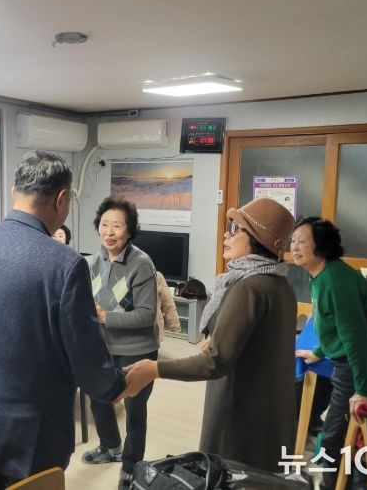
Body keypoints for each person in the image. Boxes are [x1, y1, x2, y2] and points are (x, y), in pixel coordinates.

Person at [0, 151, 125, 490]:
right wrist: (117, 385)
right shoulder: (65, 264)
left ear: (14, 190)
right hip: (31, 431)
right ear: (62, 198)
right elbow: (86, 355)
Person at [122, 197, 297, 473]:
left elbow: (216, 361)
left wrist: (154, 369)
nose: (226, 235)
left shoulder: (248, 288)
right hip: (269, 415)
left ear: (259, 240)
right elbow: (257, 343)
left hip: (239, 418)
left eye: (236, 229)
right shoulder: (280, 285)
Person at [292, 216, 367, 488]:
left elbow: (356, 338)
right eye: (293, 241)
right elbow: (335, 326)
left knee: (334, 438)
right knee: (338, 437)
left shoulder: (335, 281)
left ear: (321, 246)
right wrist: (320, 350)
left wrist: (362, 389)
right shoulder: (322, 275)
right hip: (353, 363)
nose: (294, 246)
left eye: (302, 241)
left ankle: (334, 486)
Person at [81, 197, 158, 490]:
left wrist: (106, 317)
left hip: (137, 351)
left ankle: (131, 467)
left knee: (135, 410)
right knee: (98, 398)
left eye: (117, 226)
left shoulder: (141, 263)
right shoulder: (93, 262)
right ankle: (110, 446)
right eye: (104, 225)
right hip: (102, 348)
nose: (109, 232)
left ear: (129, 230)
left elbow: (147, 315)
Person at [155, 271, 181, 340]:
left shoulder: (157, 276)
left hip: (153, 324)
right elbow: (168, 302)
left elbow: (168, 302)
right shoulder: (157, 275)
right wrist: (174, 326)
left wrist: (174, 326)